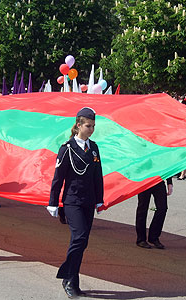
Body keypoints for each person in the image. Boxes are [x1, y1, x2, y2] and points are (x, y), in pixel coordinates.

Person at [46, 107, 104, 298]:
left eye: (93, 126)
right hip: (72, 201)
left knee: (81, 241)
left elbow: (98, 176)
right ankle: (67, 275)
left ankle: (72, 280)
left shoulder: (94, 147)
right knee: (79, 237)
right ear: (78, 125)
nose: (91, 129)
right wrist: (53, 202)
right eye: (88, 126)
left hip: (88, 201)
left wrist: (99, 199)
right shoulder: (67, 149)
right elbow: (58, 178)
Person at [135, 179, 173, 249]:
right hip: (144, 180)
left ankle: (154, 237)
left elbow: (166, 167)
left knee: (162, 208)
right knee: (142, 209)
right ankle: (141, 239)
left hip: (158, 181)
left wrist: (169, 182)